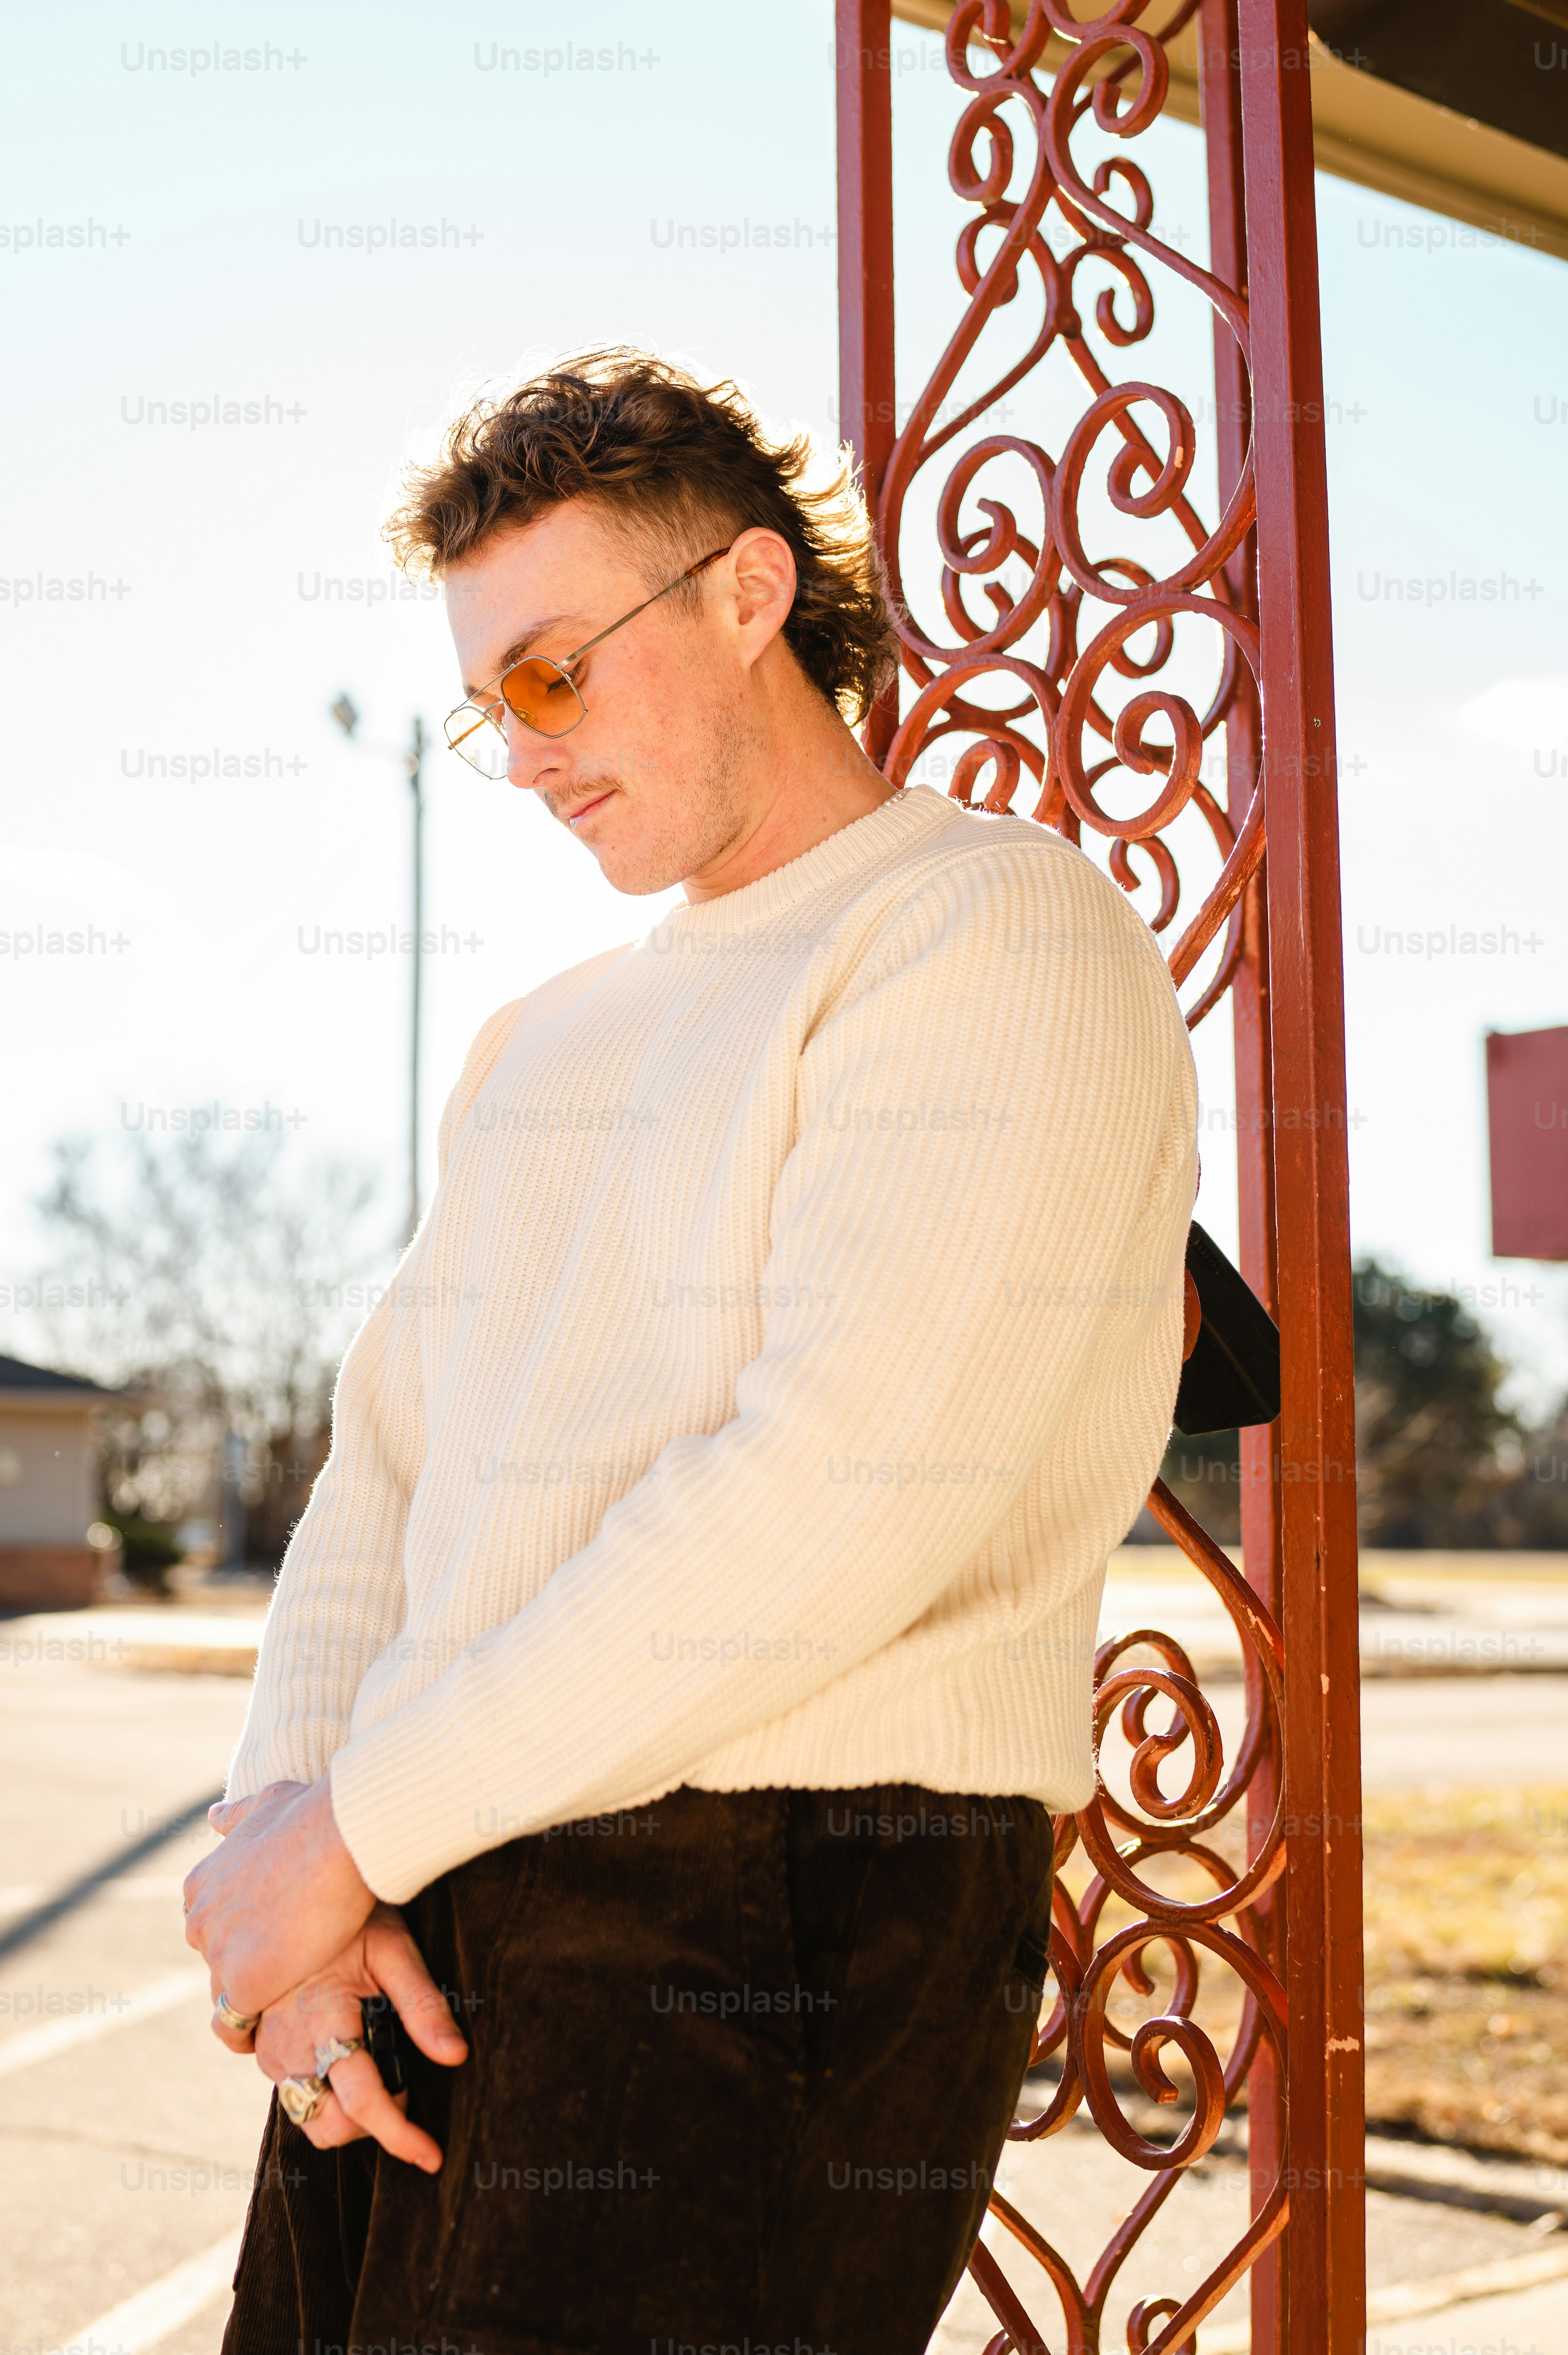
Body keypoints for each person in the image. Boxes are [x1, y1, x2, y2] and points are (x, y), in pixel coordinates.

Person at [183, 348, 1197, 2354]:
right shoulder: (537, 1039)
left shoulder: (985, 934)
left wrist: (343, 1835)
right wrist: (284, 1861)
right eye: (489, 713)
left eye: (552, 672)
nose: (527, 751)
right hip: (423, 1888)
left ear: (747, 596)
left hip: (777, 1897)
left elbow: (830, 1497)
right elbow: (383, 1470)